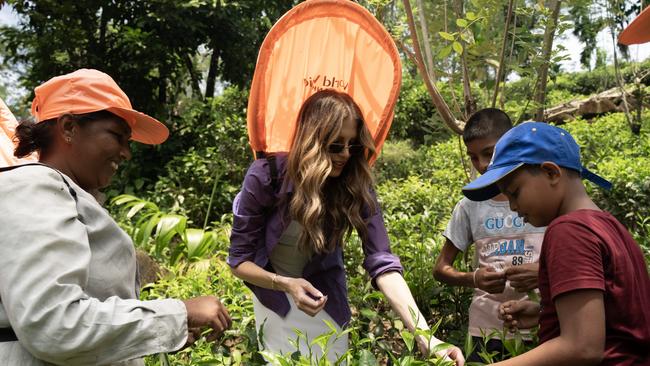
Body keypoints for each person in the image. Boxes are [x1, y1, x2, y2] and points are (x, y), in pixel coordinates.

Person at [0, 69, 232, 366]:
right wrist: (179, 312)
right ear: (69, 127)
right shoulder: (36, 188)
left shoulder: (67, 194)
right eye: (117, 136)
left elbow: (84, 310)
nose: (126, 153)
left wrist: (162, 331)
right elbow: (54, 324)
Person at [228, 89, 464, 364]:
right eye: (335, 145)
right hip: (274, 297)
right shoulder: (266, 175)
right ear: (311, 141)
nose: (345, 155)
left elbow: (383, 263)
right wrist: (285, 284)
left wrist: (426, 337)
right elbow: (239, 261)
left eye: (352, 145)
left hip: (324, 301)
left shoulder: (355, 184)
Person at [461, 122, 650, 365]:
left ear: (551, 173)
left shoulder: (569, 231)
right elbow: (615, 320)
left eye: (515, 192)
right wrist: (545, 315)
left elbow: (582, 347)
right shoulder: (609, 225)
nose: (513, 207)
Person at [433, 109, 544, 362]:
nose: (482, 165)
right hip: (485, 331)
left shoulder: (541, 198)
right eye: (473, 157)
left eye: (489, 153)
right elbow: (440, 268)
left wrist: (541, 273)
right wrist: (474, 278)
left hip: (540, 323)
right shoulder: (470, 205)